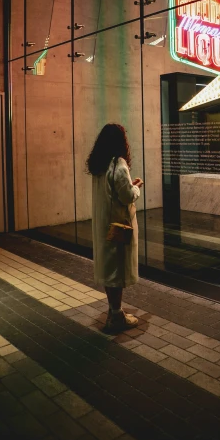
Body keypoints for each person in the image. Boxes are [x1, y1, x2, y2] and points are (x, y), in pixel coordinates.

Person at [86, 123, 143, 333]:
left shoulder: (98, 165)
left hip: (103, 225)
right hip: (118, 226)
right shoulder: (118, 164)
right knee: (117, 270)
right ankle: (117, 316)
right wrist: (136, 188)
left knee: (109, 269)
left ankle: (113, 310)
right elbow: (126, 196)